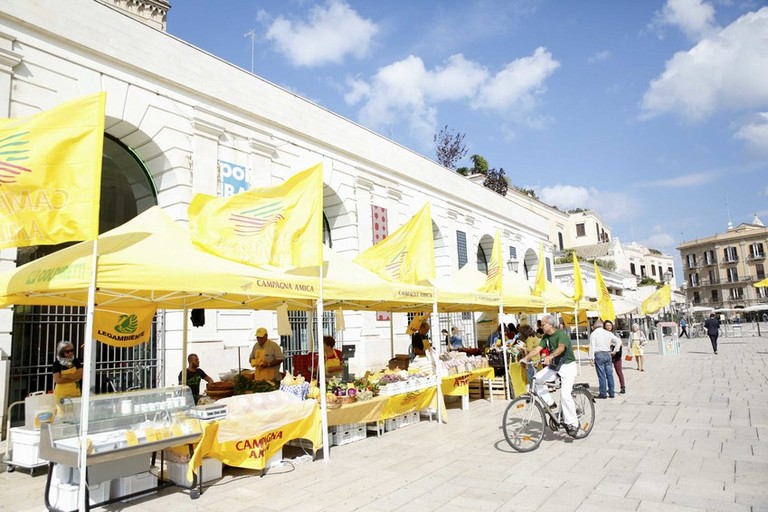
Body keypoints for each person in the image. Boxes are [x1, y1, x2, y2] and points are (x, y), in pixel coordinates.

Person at [519, 314, 580, 437]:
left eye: (542, 324)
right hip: (555, 366)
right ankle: (549, 402)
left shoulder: (561, 334)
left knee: (565, 395)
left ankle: (573, 423)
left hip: (567, 366)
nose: (540, 326)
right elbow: (537, 349)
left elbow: (561, 348)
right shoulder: (546, 336)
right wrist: (525, 358)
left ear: (550, 324)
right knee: (537, 379)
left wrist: (551, 356)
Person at [588, 319, 621, 398]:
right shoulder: (608, 333)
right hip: (607, 353)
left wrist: (591, 358)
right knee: (609, 375)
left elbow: (592, 346)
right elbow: (618, 341)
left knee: (601, 375)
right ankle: (611, 392)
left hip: (599, 354)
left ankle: (603, 393)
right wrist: (615, 350)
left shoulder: (594, 334)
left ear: (594, 327)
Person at [605, 320, 626, 394]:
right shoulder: (604, 335)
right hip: (608, 355)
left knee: (619, 371)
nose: (608, 327)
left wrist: (614, 347)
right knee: (608, 372)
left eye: (609, 325)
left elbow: (621, 344)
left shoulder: (615, 334)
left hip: (616, 355)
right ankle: (610, 387)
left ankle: (622, 387)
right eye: (607, 325)